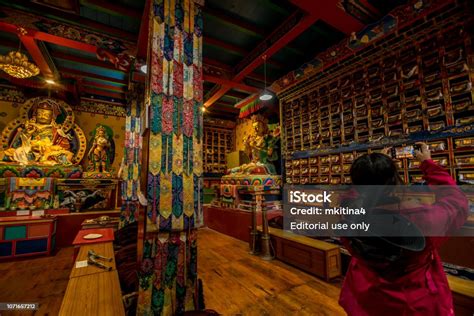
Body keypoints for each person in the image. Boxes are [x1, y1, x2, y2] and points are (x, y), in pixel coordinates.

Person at [339, 143, 469, 316]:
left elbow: (351, 195)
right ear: (395, 181)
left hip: (367, 296)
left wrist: (373, 169)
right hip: (415, 302)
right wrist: (427, 163)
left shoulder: (349, 215)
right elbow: (457, 202)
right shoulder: (423, 219)